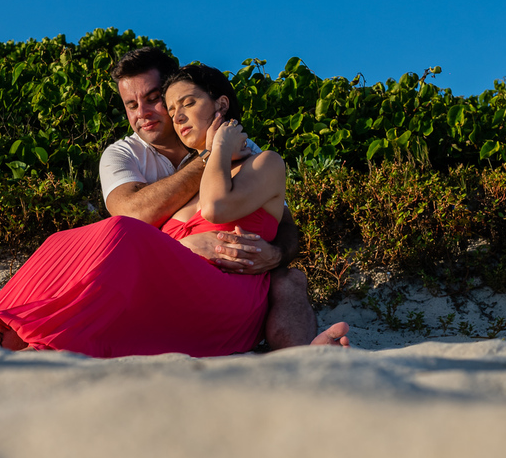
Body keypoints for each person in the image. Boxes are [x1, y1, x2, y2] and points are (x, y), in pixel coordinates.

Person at [0, 64, 348, 357]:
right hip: (173, 287)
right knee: (62, 240)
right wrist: (191, 242)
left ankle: (45, 336)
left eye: (187, 103)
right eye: (171, 106)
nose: (175, 115)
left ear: (221, 104)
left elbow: (219, 208)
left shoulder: (262, 162)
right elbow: (136, 216)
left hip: (228, 296)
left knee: (121, 233)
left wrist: (220, 151)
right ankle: (3, 331)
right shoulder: (131, 157)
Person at [100, 47, 348, 349]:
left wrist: (276, 254)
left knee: (289, 280)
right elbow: (129, 218)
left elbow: (281, 220)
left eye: (153, 99)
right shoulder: (124, 154)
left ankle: (305, 357)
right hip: (166, 277)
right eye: (131, 104)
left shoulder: (248, 152)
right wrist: (211, 155)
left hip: (228, 289)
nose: (142, 113)